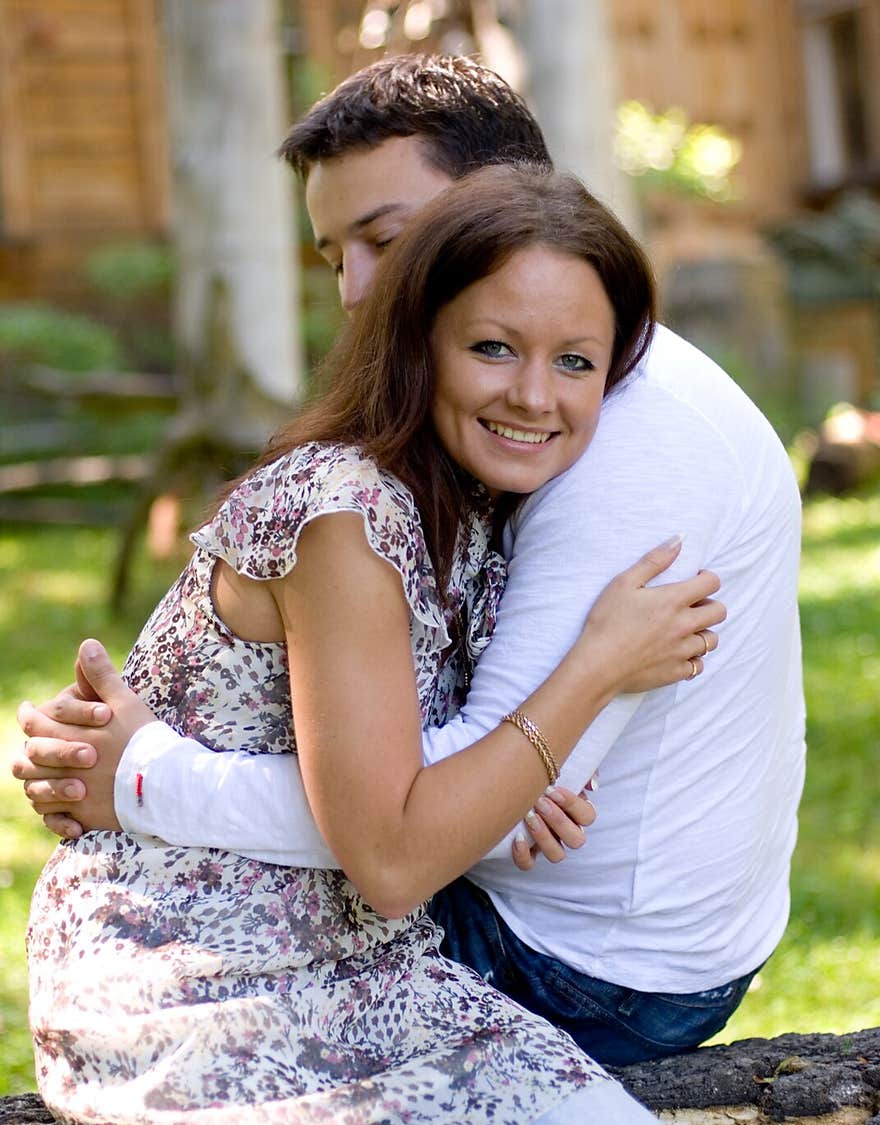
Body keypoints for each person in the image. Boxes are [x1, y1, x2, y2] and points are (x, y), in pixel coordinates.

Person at [23, 164, 722, 1125]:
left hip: (366, 965)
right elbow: (396, 849)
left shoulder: (487, 507)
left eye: (576, 362)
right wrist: (595, 667)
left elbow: (410, 801)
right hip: (189, 985)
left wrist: (482, 780)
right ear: (416, 342)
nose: (535, 396)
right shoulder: (341, 512)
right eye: (492, 348)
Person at [15, 53, 805, 1069]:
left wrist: (141, 776)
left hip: (573, 962)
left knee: (206, 947)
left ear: (503, 209)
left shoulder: (623, 449)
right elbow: (468, 775)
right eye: (332, 253)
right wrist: (513, 771)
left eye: (387, 240)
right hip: (537, 887)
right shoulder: (523, 411)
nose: (353, 289)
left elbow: (411, 834)